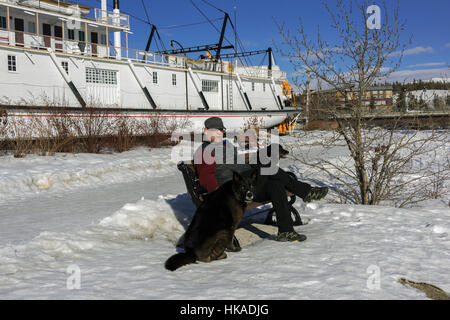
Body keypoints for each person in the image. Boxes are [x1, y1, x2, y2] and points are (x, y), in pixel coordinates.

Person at [193, 117, 328, 242]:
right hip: (233, 191)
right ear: (205, 131)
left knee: (275, 185)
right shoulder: (204, 152)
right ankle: (306, 191)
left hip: (247, 185)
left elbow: (243, 165)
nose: (218, 133)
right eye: (214, 131)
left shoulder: (225, 146)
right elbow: (206, 178)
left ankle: (286, 231)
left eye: (221, 130)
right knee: (269, 167)